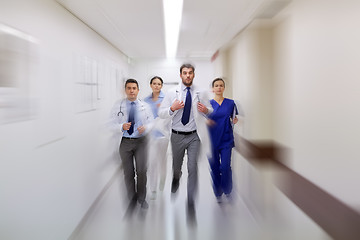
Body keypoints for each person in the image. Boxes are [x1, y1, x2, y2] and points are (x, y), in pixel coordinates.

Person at [159, 63, 213, 220]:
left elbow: (210, 111)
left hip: (194, 136)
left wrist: (206, 111)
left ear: (194, 75)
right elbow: (161, 114)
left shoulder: (201, 92)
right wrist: (172, 108)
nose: (188, 75)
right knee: (177, 167)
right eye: (185, 73)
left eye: (190, 73)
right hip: (176, 135)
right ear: (180, 75)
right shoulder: (171, 93)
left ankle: (190, 202)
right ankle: (176, 178)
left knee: (193, 168)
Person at [108, 79, 154, 211]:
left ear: (138, 90)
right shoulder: (118, 106)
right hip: (125, 142)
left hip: (141, 142)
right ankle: (132, 199)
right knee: (128, 173)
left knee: (141, 171)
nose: (131, 90)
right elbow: (110, 124)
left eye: (134, 88)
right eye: (129, 88)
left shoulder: (145, 105)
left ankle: (142, 198)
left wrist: (146, 128)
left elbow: (152, 122)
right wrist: (120, 126)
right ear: (125, 90)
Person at [207, 78, 240, 203]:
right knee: (215, 168)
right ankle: (218, 192)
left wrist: (235, 120)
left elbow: (233, 117)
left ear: (224, 88)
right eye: (216, 85)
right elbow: (202, 121)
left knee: (225, 167)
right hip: (211, 141)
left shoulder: (231, 103)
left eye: (221, 85)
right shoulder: (208, 104)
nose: (219, 88)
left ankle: (227, 190)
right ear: (213, 89)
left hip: (226, 140)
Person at [144, 76, 170, 200]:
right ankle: (153, 188)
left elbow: (170, 115)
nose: (156, 86)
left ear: (161, 86)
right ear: (150, 85)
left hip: (163, 135)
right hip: (150, 136)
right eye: (154, 83)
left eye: (159, 84)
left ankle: (162, 180)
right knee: (152, 161)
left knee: (162, 161)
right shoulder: (145, 101)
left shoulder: (166, 99)